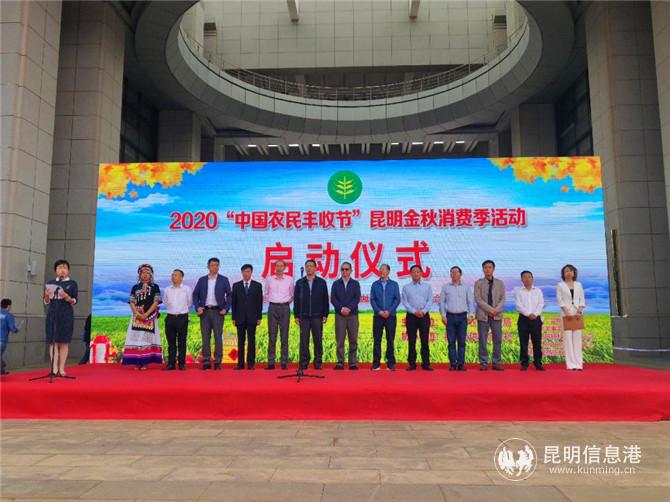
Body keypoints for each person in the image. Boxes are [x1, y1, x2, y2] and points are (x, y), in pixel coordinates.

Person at [192, 257, 231, 370]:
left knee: (218, 337)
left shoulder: (224, 279)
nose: (215, 267)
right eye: (213, 265)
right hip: (204, 312)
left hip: (218, 312)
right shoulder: (202, 280)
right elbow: (195, 294)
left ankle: (218, 362)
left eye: (217, 265)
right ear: (208, 267)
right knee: (205, 338)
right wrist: (198, 307)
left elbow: (230, 295)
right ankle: (206, 362)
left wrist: (226, 309)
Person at [122, 264, 163, 369]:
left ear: (151, 275)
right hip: (137, 317)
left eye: (147, 273)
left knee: (147, 339)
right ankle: (136, 361)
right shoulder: (135, 287)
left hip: (150, 317)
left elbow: (156, 302)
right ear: (139, 275)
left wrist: (146, 314)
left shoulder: (155, 287)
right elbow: (131, 302)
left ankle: (145, 362)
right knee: (136, 339)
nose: (145, 275)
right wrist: (137, 314)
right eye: (143, 273)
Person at [44, 259, 78, 376]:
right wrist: (46, 296)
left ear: (68, 270)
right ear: (56, 270)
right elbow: (47, 301)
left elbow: (74, 301)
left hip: (66, 315)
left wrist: (67, 297)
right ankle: (54, 369)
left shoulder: (72, 283)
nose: (62, 270)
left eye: (64, 268)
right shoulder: (51, 283)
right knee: (53, 342)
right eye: (59, 268)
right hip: (53, 315)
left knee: (64, 342)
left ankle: (62, 369)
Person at [294, 259, 329, 370]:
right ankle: (304, 362)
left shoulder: (321, 282)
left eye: (311, 266)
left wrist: (325, 314)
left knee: (317, 340)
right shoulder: (300, 283)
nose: (309, 268)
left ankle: (318, 362)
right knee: (304, 341)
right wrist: (296, 315)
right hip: (303, 316)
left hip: (317, 316)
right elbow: (296, 300)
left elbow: (325, 299)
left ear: (315, 268)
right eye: (307, 266)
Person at [439, 266, 475, 371]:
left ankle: (461, 364)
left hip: (462, 317)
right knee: (451, 342)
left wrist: (471, 315)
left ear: (460, 274)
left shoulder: (466, 287)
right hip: (449, 317)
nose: (454, 274)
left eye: (456, 272)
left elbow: (470, 302)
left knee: (462, 342)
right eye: (452, 272)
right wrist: (443, 315)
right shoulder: (445, 287)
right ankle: (453, 364)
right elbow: (442, 302)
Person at [474, 260, 506, 371]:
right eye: (486, 267)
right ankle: (483, 363)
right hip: (483, 316)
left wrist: (496, 310)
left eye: (490, 267)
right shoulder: (478, 283)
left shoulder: (500, 283)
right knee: (483, 340)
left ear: (493, 269)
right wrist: (490, 309)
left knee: (497, 340)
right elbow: (478, 298)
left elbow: (503, 298)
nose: (488, 269)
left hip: (496, 315)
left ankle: (496, 362)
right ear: (483, 269)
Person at [401, 264, 433, 371]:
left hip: (424, 316)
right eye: (414, 272)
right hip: (411, 316)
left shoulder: (427, 287)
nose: (416, 273)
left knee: (425, 340)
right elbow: (405, 302)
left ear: (421, 273)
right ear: (410, 274)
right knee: (411, 340)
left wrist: (423, 311)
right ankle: (412, 364)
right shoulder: (406, 287)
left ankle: (426, 364)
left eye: (418, 272)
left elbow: (430, 300)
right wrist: (414, 311)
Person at [231, 264, 263, 370]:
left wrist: (259, 317)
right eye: (244, 271)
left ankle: (251, 364)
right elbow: (234, 303)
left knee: (251, 340)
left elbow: (259, 302)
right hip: (239, 317)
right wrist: (233, 318)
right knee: (240, 341)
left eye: (248, 271)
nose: (246, 273)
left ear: (251, 272)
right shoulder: (236, 286)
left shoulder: (257, 285)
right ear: (242, 273)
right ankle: (240, 364)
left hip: (252, 318)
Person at [331, 261, 361, 370]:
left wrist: (348, 308)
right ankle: (340, 362)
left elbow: (357, 298)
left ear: (351, 270)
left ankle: (352, 363)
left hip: (352, 315)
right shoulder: (336, 284)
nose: (344, 271)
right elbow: (333, 298)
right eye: (342, 269)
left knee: (353, 339)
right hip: (340, 315)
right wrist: (341, 309)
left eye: (346, 269)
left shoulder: (355, 284)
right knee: (340, 340)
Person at [370, 264, 400, 371]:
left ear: (388, 271)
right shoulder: (375, 284)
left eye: (383, 269)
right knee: (377, 340)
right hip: (378, 316)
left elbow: (397, 299)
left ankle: (390, 363)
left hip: (391, 316)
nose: (381, 271)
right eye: (380, 269)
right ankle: (376, 363)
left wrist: (389, 311)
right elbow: (372, 300)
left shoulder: (394, 284)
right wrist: (379, 311)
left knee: (390, 340)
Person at [264, 260, 294, 370]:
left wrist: (284, 303)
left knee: (284, 336)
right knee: (272, 336)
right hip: (272, 307)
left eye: (281, 266)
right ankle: (271, 362)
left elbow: (292, 295)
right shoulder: (269, 279)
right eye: (277, 266)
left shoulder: (289, 279)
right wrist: (275, 301)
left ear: (285, 268)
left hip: (285, 308)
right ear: (274, 267)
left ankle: (284, 362)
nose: (279, 268)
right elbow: (266, 293)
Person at [162, 269, 193, 371]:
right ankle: (171, 364)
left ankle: (182, 364)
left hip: (182, 317)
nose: (173, 277)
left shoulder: (187, 289)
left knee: (182, 342)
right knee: (171, 342)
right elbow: (165, 302)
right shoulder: (167, 289)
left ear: (181, 277)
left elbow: (189, 303)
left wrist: (182, 312)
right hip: (170, 317)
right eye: (172, 275)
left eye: (175, 275)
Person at [557, 264, 586, 371]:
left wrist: (579, 311)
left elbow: (582, 299)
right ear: (563, 274)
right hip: (566, 314)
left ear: (574, 273)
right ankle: (571, 364)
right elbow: (560, 300)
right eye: (566, 271)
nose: (568, 273)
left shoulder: (579, 285)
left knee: (577, 339)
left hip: (577, 313)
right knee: (568, 339)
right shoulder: (560, 285)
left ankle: (579, 364)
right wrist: (567, 312)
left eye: (570, 271)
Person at [514, 270, 545, 371]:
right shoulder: (519, 291)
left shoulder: (538, 291)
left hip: (536, 319)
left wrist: (535, 314)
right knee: (523, 342)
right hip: (523, 319)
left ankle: (538, 363)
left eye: (529, 277)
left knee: (537, 342)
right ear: (521, 279)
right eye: (524, 277)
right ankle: (524, 363)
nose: (527, 279)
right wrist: (528, 314)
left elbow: (541, 304)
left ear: (532, 278)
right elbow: (518, 306)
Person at [1, 299, 20, 375]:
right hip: (2, 339)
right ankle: (2, 366)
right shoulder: (9, 315)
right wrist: (16, 330)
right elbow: (12, 328)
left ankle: (2, 370)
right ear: (8, 306)